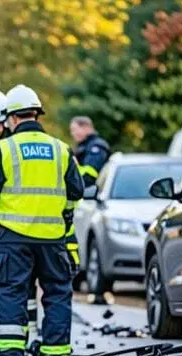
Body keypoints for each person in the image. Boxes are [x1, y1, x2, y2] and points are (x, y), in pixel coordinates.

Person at [0, 85, 84, 356]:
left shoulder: (5, 149)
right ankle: (55, 353)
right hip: (52, 238)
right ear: (37, 114)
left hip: (13, 238)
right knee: (57, 292)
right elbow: (76, 190)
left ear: (11, 118)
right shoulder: (61, 149)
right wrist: (65, 218)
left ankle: (11, 354)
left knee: (12, 292)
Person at [69, 116, 112, 304]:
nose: (73, 134)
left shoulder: (96, 148)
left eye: (75, 130)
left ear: (86, 127)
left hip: (94, 199)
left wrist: (74, 174)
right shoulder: (84, 147)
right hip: (87, 200)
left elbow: (90, 175)